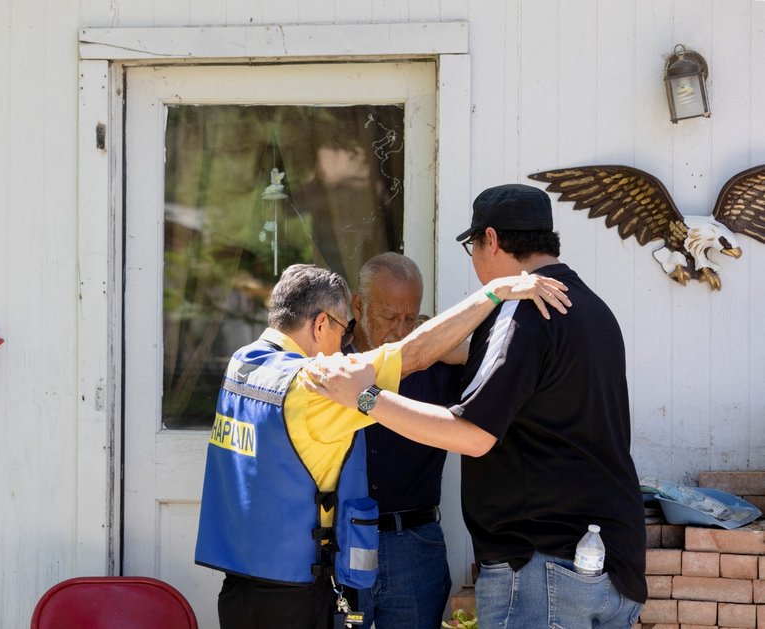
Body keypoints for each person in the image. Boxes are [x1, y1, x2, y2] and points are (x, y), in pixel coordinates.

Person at [304, 184, 647, 628]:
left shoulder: (524, 311)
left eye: (472, 246)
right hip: (608, 564)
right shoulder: (591, 308)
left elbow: (473, 435)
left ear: (491, 239)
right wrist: (468, 352)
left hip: (543, 568)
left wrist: (365, 397)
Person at [194, 262, 569, 629]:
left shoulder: (244, 366)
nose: (342, 346)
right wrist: (495, 291)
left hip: (241, 586)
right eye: (342, 331)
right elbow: (413, 356)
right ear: (321, 323)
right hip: (295, 591)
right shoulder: (313, 385)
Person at [345, 252, 461, 629]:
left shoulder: (436, 360)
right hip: (341, 541)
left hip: (413, 543)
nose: (399, 330)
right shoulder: (331, 359)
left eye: (410, 318)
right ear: (359, 305)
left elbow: (497, 356)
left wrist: (440, 343)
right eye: (389, 317)